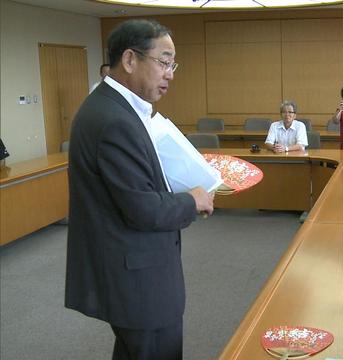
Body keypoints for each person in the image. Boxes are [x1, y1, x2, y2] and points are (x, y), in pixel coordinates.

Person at [65, 19, 214, 360]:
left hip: (131, 270)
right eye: (163, 62)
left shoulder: (113, 108)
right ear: (130, 60)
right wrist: (192, 200)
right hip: (138, 279)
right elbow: (144, 209)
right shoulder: (114, 120)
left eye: (172, 64)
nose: (170, 74)